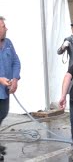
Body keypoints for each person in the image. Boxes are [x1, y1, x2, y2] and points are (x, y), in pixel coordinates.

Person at [0, 16, 21, 160]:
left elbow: (16, 62)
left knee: (3, 113)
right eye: (3, 26)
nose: (6, 28)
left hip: (5, 91)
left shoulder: (8, 43)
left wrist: (15, 79)